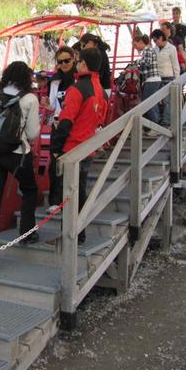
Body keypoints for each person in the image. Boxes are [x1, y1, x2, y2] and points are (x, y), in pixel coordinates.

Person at [0, 61, 40, 271]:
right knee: (29, 189)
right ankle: (27, 232)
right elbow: (32, 134)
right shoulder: (29, 98)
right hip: (17, 155)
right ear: (26, 78)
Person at [50, 47, 107, 244]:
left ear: (82, 63)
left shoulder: (77, 88)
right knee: (80, 190)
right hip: (88, 145)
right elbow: (102, 117)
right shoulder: (99, 89)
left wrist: (56, 147)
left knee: (69, 193)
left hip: (72, 147)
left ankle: (69, 235)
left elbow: (66, 119)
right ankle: (79, 233)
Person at [150, 29, 180, 127]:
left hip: (169, 77)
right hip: (157, 78)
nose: (155, 42)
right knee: (155, 99)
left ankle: (167, 120)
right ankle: (157, 119)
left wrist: (177, 79)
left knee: (168, 101)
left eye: (156, 40)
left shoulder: (171, 48)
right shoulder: (155, 49)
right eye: (154, 41)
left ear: (161, 38)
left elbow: (175, 64)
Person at [133, 34, 161, 128]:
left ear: (141, 42)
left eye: (135, 45)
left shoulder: (147, 50)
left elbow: (147, 62)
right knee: (152, 102)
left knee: (147, 103)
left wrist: (137, 62)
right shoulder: (149, 50)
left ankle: (154, 125)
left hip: (151, 79)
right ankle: (156, 124)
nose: (135, 47)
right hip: (153, 79)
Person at [48, 46, 77, 118]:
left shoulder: (80, 78)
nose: (63, 64)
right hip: (58, 119)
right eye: (60, 62)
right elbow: (52, 106)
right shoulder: (55, 81)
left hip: (76, 119)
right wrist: (47, 104)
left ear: (73, 59)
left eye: (67, 60)